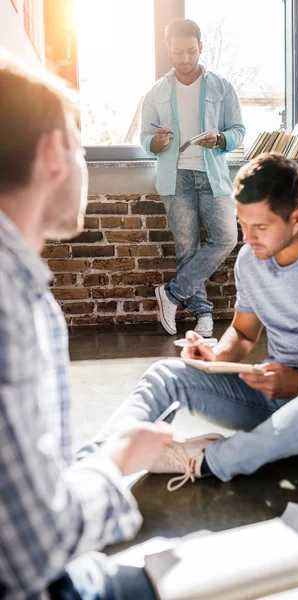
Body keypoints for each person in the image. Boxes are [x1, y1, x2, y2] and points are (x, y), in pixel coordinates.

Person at [94, 153, 298, 491]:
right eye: (243, 224)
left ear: (297, 218)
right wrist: (215, 358)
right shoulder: (250, 260)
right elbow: (242, 332)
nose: (248, 239)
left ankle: (211, 460)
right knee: (165, 374)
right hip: (270, 398)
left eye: (261, 227)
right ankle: (97, 463)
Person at [0, 55, 172, 599]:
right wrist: (119, 461)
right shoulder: (11, 302)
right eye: (80, 147)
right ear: (53, 151)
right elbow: (34, 552)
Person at [140, 18, 245, 338]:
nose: (184, 58)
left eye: (190, 51)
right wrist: (155, 143)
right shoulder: (156, 92)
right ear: (168, 51)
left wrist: (222, 139)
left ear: (200, 47)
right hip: (175, 178)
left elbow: (238, 131)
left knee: (226, 238)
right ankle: (203, 317)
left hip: (212, 175)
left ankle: (171, 294)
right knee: (187, 249)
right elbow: (145, 138)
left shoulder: (221, 87)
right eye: (177, 52)